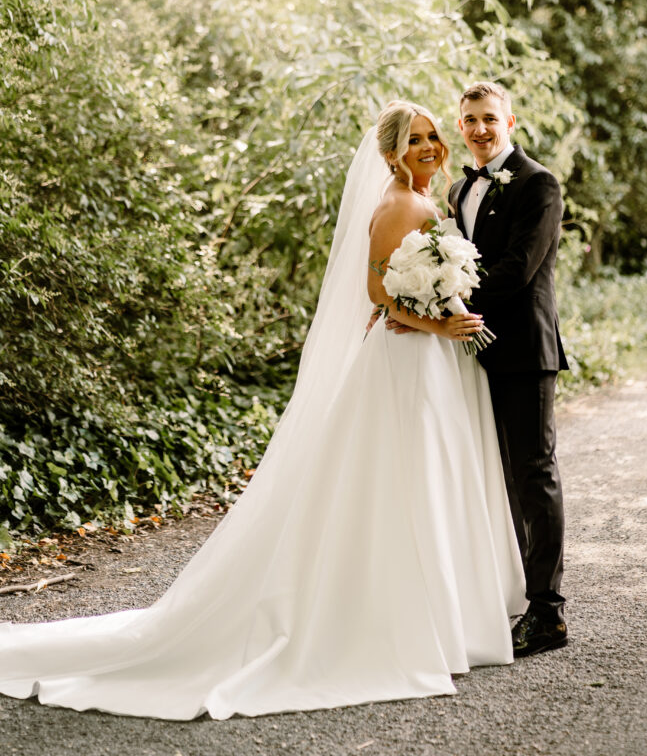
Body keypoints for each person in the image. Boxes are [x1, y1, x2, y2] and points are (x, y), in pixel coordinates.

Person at [0, 101, 525, 721]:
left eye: (433, 135)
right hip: (406, 363)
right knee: (403, 483)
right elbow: (379, 296)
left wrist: (444, 312)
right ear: (390, 153)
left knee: (428, 480)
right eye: (416, 140)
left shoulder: (420, 198)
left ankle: (443, 618)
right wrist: (439, 324)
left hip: (430, 360)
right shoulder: (398, 204)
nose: (431, 146)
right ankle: (408, 621)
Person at [449, 81, 569, 657]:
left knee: (533, 474)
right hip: (467, 355)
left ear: (511, 121)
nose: (479, 129)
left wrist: (442, 301)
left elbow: (519, 270)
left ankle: (548, 614)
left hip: (523, 352)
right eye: (469, 120)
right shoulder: (455, 190)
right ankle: (507, 598)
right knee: (491, 480)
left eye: (489, 119)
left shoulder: (539, 183)